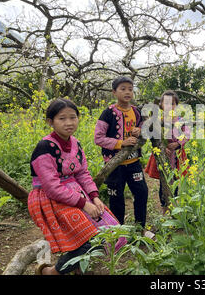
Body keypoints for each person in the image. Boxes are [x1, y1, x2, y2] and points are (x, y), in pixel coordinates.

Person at [28, 98, 120, 275]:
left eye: (73, 117)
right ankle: (51, 272)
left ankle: (77, 266)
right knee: (91, 236)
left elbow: (82, 173)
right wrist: (84, 203)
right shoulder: (45, 147)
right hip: (48, 199)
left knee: (106, 230)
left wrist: (94, 197)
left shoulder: (76, 143)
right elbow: (52, 188)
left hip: (76, 194)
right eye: (62, 118)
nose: (69, 123)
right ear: (50, 122)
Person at [94, 76, 150, 231]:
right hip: (114, 165)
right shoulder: (108, 113)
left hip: (133, 163)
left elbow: (144, 126)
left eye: (130, 89)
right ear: (114, 92)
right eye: (123, 89)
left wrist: (140, 129)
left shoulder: (136, 111)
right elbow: (98, 138)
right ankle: (118, 232)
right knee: (116, 197)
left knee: (142, 193)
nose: (127, 92)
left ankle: (140, 228)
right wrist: (121, 143)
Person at [145, 90, 190, 214]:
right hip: (162, 156)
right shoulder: (158, 120)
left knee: (174, 181)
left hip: (176, 156)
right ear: (161, 105)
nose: (169, 106)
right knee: (163, 181)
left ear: (177, 105)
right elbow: (153, 136)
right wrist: (162, 147)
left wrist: (177, 143)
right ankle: (165, 208)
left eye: (173, 103)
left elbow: (187, 135)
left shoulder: (180, 120)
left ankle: (174, 207)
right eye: (166, 103)